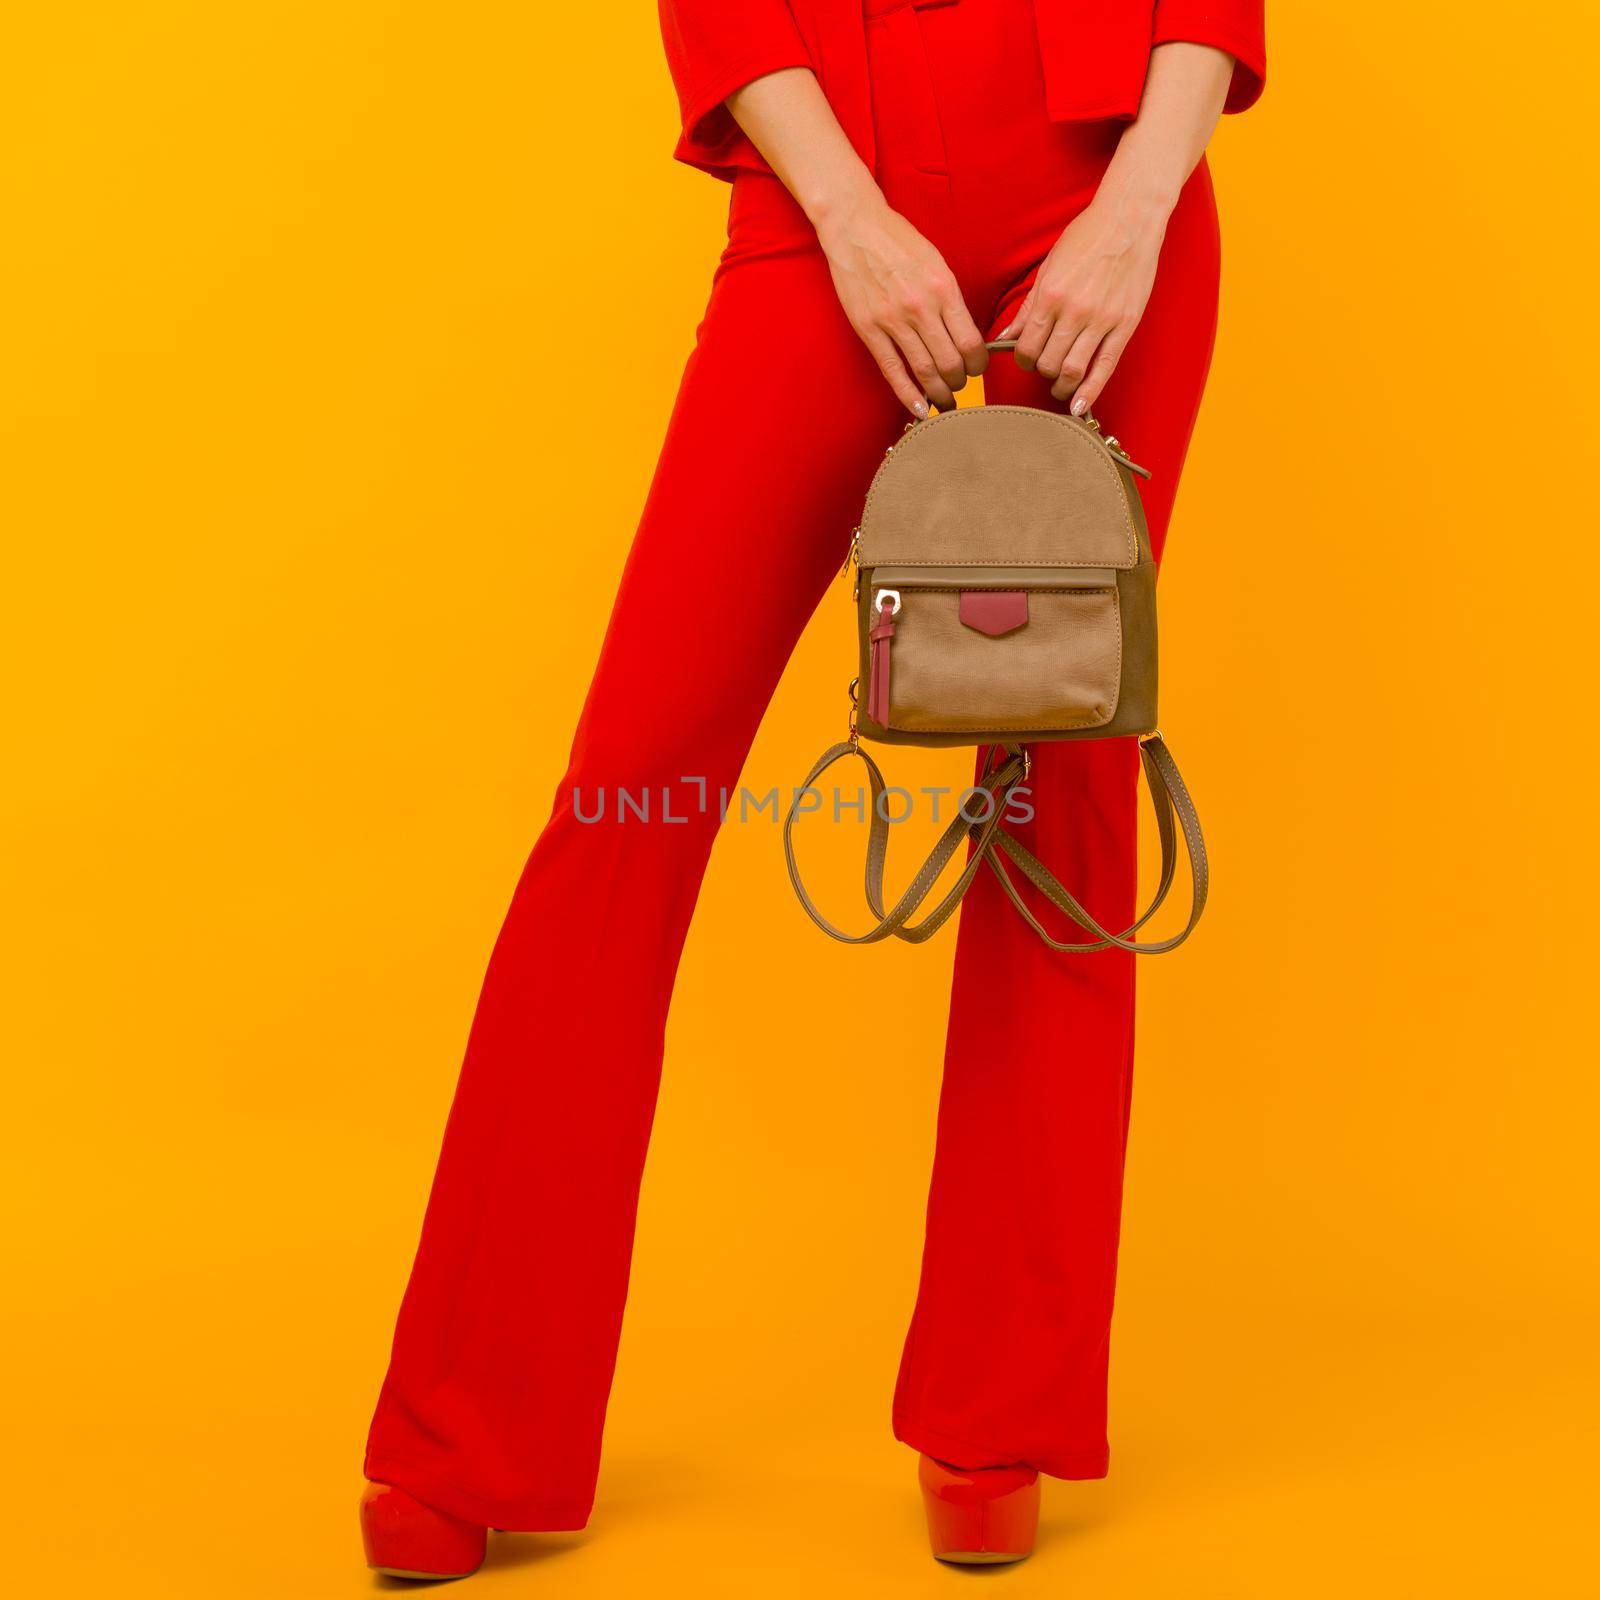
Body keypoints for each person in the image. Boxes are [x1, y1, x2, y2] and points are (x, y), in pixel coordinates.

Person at [358, 0, 1266, 1577]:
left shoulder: (1130, 207)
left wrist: (1142, 204)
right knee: (626, 799)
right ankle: (468, 1421)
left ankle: (998, 1409)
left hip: (1109, 181)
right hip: (831, 183)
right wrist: (846, 216)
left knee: (1060, 783)